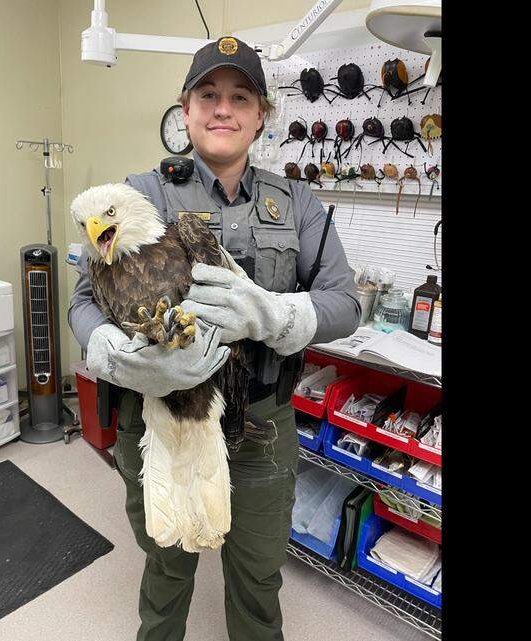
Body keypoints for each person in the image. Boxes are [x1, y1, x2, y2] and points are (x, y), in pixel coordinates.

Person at [67, 35, 360, 641]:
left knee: (257, 581)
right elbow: (83, 302)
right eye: (208, 95)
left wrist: (275, 316)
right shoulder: (140, 194)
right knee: (166, 570)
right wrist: (115, 357)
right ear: (186, 107)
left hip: (260, 424)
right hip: (161, 420)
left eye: (239, 97)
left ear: (260, 117)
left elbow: (345, 304)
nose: (222, 109)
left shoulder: (298, 203)